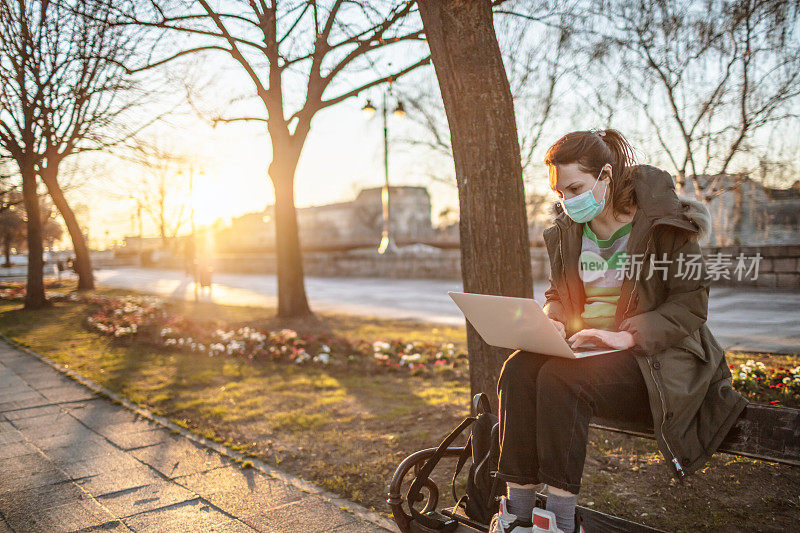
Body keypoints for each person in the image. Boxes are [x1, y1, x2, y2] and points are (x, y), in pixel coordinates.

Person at [488, 129, 749, 533]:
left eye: (575, 187)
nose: (568, 200)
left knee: (561, 378)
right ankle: (518, 517)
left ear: (606, 175)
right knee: (518, 370)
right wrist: (553, 315)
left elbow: (691, 302)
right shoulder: (568, 232)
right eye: (560, 192)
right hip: (590, 352)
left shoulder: (666, 224)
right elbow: (559, 292)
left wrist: (626, 336)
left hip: (651, 360)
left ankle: (557, 523)